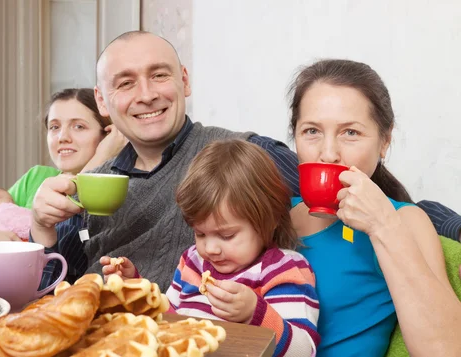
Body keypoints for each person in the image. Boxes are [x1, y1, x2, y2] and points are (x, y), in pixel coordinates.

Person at [30, 31, 461, 292]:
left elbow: (356, 187)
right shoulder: (92, 181)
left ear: (184, 80)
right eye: (126, 83)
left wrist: (432, 223)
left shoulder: (239, 156)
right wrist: (43, 229)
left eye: (159, 75)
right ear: (103, 101)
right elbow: (52, 282)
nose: (146, 94)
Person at [288, 59, 461, 356]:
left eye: (350, 133)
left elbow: (447, 350)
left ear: (385, 141)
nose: (328, 153)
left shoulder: (403, 220)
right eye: (312, 131)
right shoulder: (272, 214)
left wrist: (383, 226)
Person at [101, 139, 320, 356]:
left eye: (227, 235)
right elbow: (170, 322)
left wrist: (255, 312)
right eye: (200, 233)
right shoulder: (193, 261)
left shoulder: (281, 269)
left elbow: (302, 351)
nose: (211, 248)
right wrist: (139, 291)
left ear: (270, 220)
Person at [0, 88, 127, 244]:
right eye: (54, 127)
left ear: (107, 134)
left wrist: (100, 158)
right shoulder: (36, 177)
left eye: (78, 126)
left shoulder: (117, 189)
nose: (62, 137)